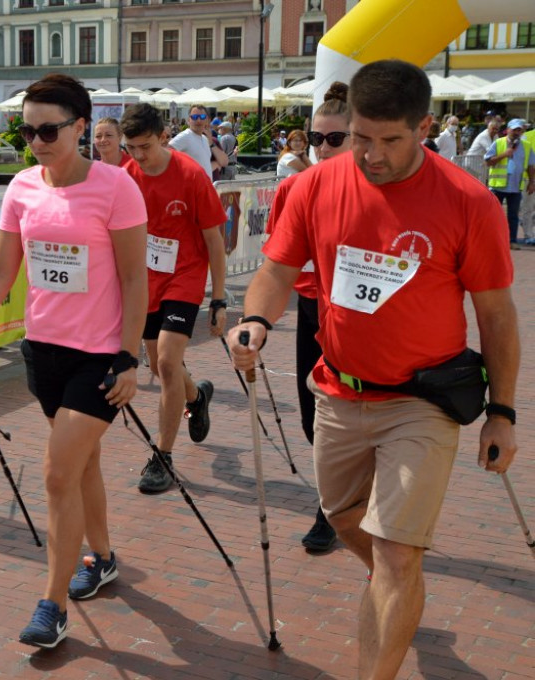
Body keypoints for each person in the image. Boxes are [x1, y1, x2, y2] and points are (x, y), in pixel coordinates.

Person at [227, 59, 519, 680]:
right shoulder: (314, 186)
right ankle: (400, 586)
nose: (372, 154)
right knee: (343, 520)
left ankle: (394, 591)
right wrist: (256, 319)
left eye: (390, 140)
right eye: (360, 137)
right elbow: (278, 270)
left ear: (424, 127)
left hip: (423, 398)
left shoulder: (468, 202)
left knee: (394, 553)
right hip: (338, 391)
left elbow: (496, 317)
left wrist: (504, 413)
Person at [0, 73, 147, 649]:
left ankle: (51, 604)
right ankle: (102, 557)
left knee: (57, 475)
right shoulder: (24, 187)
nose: (36, 141)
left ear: (82, 126)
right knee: (82, 465)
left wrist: (130, 358)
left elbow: (134, 279)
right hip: (45, 352)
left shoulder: (116, 188)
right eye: (27, 130)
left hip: (100, 358)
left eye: (49, 129)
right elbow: (1, 271)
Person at [119, 103, 228, 493]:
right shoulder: (126, 174)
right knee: (158, 364)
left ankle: (162, 456)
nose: (139, 156)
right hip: (145, 281)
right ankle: (197, 397)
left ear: (163, 136)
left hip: (185, 275)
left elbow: (215, 241)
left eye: (145, 146)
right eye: (130, 147)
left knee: (166, 359)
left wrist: (218, 299)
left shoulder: (190, 175)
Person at [268, 81, 352, 553]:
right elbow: (278, 267)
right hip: (312, 308)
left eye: (333, 139)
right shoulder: (296, 188)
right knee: (310, 416)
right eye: (314, 139)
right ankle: (337, 500)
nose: (321, 148)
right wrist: (257, 320)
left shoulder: (378, 191)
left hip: (363, 317)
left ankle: (331, 511)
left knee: (355, 417)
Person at [484, 118, 534, 248]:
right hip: (497, 186)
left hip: (515, 187)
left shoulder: (526, 146)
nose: (517, 132)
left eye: (520, 130)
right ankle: (489, 239)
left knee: (513, 216)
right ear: (507, 130)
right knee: (493, 215)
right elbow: (488, 162)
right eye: (515, 130)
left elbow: (530, 166)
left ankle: (512, 241)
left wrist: (532, 182)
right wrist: (504, 155)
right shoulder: (498, 143)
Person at [169, 104, 229, 179]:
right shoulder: (185, 136)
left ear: (207, 120)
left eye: (202, 117)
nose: (198, 120)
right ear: (188, 120)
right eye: (194, 117)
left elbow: (222, 162)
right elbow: (165, 153)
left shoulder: (205, 139)